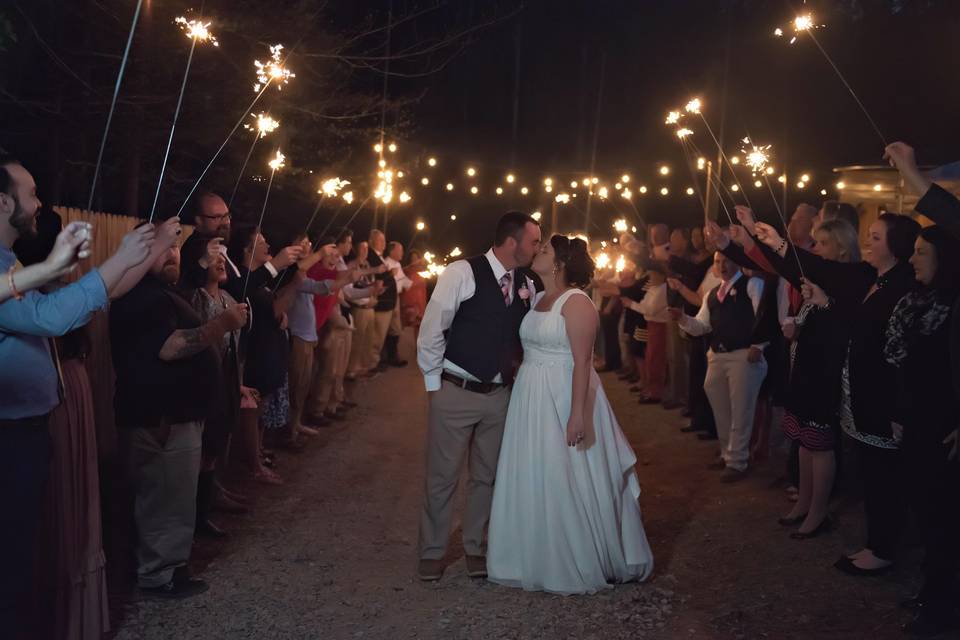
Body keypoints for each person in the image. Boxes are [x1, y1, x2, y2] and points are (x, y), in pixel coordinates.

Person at [0, 154, 158, 632]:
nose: (39, 202)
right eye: (31, 193)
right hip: (8, 437)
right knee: (11, 563)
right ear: (3, 202)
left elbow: (66, 302)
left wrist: (66, 267)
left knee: (22, 555)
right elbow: (50, 318)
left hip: (24, 431)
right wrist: (120, 259)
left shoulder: (11, 262)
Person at [753, 212, 920, 575]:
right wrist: (770, 244)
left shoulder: (894, 284)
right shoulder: (873, 278)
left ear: (896, 246)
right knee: (871, 471)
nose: (867, 243)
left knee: (881, 475)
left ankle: (883, 546)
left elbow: (872, 336)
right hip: (854, 388)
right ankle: (876, 541)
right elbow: (812, 274)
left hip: (877, 393)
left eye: (875, 238)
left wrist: (780, 245)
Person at [487, 234, 653, 594]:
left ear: (560, 263)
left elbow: (581, 362)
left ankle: (574, 557)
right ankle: (530, 553)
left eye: (544, 250)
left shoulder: (576, 302)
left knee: (564, 472)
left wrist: (577, 415)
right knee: (536, 470)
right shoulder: (540, 298)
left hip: (562, 395)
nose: (536, 252)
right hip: (531, 395)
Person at [109, 230, 248, 598]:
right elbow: (169, 348)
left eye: (174, 247)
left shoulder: (160, 293)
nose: (173, 254)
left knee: (173, 498)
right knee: (163, 499)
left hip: (173, 416)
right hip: (160, 418)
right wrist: (223, 324)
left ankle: (169, 567)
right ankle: (157, 576)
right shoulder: (142, 298)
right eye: (163, 248)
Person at [415, 211, 541, 582]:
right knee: (442, 477)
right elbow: (432, 328)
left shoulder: (528, 282)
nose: (537, 248)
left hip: (500, 394)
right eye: (533, 241)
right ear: (512, 242)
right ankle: (432, 552)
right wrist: (434, 386)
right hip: (457, 388)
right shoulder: (462, 272)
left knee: (486, 477)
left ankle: (476, 547)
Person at [884, 225, 960, 636]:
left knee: (943, 515)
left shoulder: (952, 307)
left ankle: (943, 607)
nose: (911, 259)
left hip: (943, 426)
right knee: (925, 510)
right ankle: (934, 591)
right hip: (915, 419)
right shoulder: (917, 300)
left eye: (921, 253)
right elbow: (903, 364)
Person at [672, 251, 769, 483]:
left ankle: (737, 461)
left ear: (736, 262)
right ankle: (728, 454)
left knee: (741, 409)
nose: (722, 265)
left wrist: (759, 344)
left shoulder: (752, 284)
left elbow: (763, 315)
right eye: (718, 262)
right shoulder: (713, 294)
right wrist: (683, 319)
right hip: (718, 355)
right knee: (721, 408)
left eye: (726, 260)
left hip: (743, 355)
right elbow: (702, 326)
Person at [367, 230, 398, 371]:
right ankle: (371, 364)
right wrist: (390, 274)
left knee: (379, 336)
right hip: (381, 303)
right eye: (381, 241)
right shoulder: (372, 256)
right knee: (376, 337)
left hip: (386, 303)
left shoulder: (379, 257)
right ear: (372, 241)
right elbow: (378, 279)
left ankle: (374, 361)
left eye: (384, 241)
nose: (384, 245)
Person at [401, 250, 428, 341]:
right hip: (408, 308)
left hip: (419, 307)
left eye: (416, 258)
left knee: (419, 337)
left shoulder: (422, 274)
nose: (415, 260)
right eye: (412, 259)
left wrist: (423, 309)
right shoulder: (406, 272)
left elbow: (423, 293)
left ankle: (416, 354)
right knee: (407, 336)